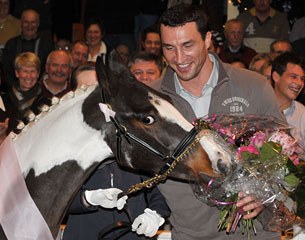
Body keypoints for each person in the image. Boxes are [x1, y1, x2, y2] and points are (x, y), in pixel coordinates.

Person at [157, 4, 285, 239]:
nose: (179, 58)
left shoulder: (253, 85)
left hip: (254, 233)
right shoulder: (152, 100)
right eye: (169, 48)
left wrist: (265, 195)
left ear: (207, 39)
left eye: (187, 45)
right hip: (189, 233)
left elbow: (285, 154)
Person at [2, 9, 53, 89]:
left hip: (41, 90)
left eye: (33, 22)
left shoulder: (47, 44)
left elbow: (48, 69)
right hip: (13, 91)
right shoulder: (11, 44)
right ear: (21, 23)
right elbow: (6, 70)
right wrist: (16, 88)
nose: (30, 26)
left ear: (38, 24)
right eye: (26, 22)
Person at [1, 52, 42, 132]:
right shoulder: (4, 100)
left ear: (38, 74)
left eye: (32, 71)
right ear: (17, 73)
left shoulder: (45, 99)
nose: (29, 76)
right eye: (25, 71)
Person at [271, 52, 305, 147]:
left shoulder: (302, 114)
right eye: (293, 77)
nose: (299, 83)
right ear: (276, 77)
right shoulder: (258, 107)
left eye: (302, 79)